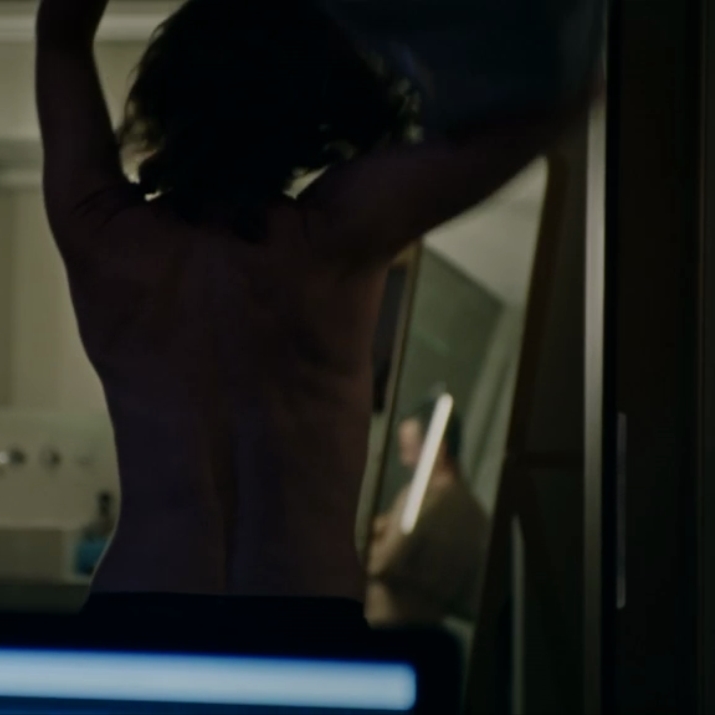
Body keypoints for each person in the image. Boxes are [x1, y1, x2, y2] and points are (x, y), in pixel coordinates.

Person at [35, 0, 591, 631]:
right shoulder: (334, 236)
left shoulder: (105, 236)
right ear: (303, 109)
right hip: (303, 605)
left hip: (142, 601)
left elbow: (61, 35)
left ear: (164, 101)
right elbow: (530, 116)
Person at [365, 400, 491, 627]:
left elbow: (382, 563)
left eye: (409, 451)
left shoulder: (432, 501)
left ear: (438, 450)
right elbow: (383, 527)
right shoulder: (465, 506)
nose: (404, 461)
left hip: (395, 631)